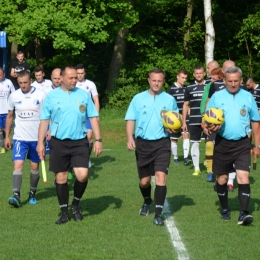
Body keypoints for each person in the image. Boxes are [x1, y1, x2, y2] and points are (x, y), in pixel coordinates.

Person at [37, 66, 102, 224]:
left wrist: (98, 139)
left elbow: (93, 116)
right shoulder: (51, 96)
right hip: (58, 142)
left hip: (80, 141)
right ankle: (64, 212)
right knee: (61, 177)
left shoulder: (83, 95)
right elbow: (44, 121)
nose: (75, 80)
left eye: (75, 78)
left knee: (83, 175)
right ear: (62, 78)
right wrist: (40, 143)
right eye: (71, 78)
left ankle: (76, 204)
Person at [206, 66, 260, 225]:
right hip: (222, 143)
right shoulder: (216, 96)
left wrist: (257, 146)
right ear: (224, 80)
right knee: (221, 179)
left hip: (243, 143)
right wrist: (209, 127)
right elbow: (207, 119)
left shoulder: (248, 97)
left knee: (243, 177)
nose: (233, 84)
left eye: (236, 81)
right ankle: (225, 209)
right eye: (230, 81)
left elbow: (256, 122)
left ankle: (244, 214)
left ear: (241, 80)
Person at [125, 68, 179, 226]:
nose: (156, 83)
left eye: (160, 81)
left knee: (161, 177)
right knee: (144, 181)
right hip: (143, 144)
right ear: (149, 80)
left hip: (162, 143)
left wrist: (174, 129)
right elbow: (130, 119)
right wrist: (130, 137)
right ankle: (147, 200)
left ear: (163, 81)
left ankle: (158, 214)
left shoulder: (169, 100)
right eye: (154, 80)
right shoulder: (137, 98)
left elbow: (176, 121)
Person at [5, 70, 46, 207]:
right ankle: (16, 195)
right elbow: (10, 116)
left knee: (34, 166)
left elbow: (47, 116)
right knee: (18, 165)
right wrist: (7, 136)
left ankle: (32, 194)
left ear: (30, 81)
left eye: (25, 82)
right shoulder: (14, 96)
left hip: (36, 138)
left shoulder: (41, 95)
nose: (23, 85)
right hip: (19, 138)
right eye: (20, 83)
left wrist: (48, 131)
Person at [206, 60, 237, 190]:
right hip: (218, 128)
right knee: (214, 150)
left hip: (236, 129)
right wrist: (206, 122)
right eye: (229, 69)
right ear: (223, 71)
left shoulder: (241, 87)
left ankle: (230, 181)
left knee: (236, 155)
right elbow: (208, 104)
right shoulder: (215, 85)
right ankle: (213, 174)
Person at [182, 65, 208, 176]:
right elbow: (185, 104)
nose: (198, 75)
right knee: (195, 144)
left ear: (204, 74)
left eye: (200, 73)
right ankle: (197, 168)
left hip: (208, 120)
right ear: (193, 74)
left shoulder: (210, 85)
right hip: (194, 120)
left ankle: (209, 164)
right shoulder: (189, 87)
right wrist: (184, 122)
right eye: (196, 73)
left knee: (210, 143)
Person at [75, 64, 100, 169]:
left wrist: (96, 114)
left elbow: (96, 100)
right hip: (76, 115)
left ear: (84, 73)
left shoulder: (90, 84)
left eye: (82, 73)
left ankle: (86, 158)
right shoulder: (73, 84)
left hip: (88, 115)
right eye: (78, 73)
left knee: (89, 136)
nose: (80, 75)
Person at [202, 68, 224, 182]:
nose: (211, 79)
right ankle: (210, 171)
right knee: (209, 144)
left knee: (221, 149)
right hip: (212, 120)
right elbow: (208, 102)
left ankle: (223, 175)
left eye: (213, 77)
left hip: (224, 123)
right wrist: (204, 119)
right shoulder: (213, 86)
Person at [167, 69, 191, 165]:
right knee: (174, 138)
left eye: (185, 78)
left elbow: (187, 102)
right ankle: (176, 158)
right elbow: (168, 104)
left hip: (185, 116)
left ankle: (186, 157)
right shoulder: (171, 89)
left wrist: (189, 108)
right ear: (177, 77)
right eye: (182, 77)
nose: (184, 80)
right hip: (175, 118)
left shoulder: (187, 88)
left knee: (186, 134)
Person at [0, 68, 15, 154]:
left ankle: (7, 142)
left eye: (0, 75)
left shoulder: (8, 82)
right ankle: (1, 146)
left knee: (7, 129)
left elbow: (13, 94)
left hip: (7, 110)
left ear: (4, 74)